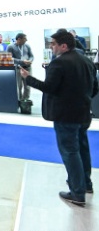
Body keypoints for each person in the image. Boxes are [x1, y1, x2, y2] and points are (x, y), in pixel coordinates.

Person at [20, 29, 98, 206]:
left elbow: (49, 88)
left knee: (70, 152)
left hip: (65, 115)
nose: (51, 47)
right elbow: (95, 88)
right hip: (83, 113)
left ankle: (77, 193)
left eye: (53, 44)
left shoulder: (59, 63)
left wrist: (28, 78)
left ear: (64, 46)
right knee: (82, 149)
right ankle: (86, 184)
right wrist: (82, 100)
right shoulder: (86, 61)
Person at [7, 33, 34, 101]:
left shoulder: (27, 46)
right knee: (19, 86)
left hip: (28, 68)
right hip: (18, 68)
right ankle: (19, 100)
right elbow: (9, 58)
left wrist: (30, 60)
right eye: (25, 38)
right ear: (19, 39)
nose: (26, 40)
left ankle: (26, 100)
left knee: (28, 86)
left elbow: (31, 56)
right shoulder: (10, 47)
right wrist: (21, 61)